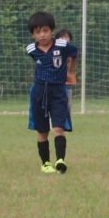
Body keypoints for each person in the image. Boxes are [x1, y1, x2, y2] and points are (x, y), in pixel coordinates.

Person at [25, 11, 79, 174]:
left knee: (59, 128)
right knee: (42, 131)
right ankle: (46, 163)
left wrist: (70, 71)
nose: (42, 35)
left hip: (58, 92)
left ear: (52, 31)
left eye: (45, 31)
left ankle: (60, 160)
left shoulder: (62, 45)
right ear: (33, 34)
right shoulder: (31, 49)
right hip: (39, 92)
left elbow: (75, 52)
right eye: (38, 32)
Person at [57, 28, 79, 108]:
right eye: (62, 37)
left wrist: (69, 72)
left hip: (67, 80)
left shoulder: (71, 51)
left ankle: (67, 113)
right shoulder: (55, 51)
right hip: (56, 80)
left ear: (70, 40)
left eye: (66, 37)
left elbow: (72, 64)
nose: (64, 39)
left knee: (67, 102)